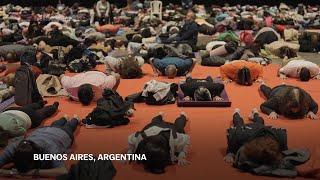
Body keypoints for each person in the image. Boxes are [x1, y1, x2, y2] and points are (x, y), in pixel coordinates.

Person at [225, 108, 310, 178]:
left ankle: (255, 113)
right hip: (246, 130)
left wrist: (231, 153)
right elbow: (233, 139)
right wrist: (230, 153)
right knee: (239, 123)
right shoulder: (241, 136)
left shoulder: (279, 138)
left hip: (262, 130)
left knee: (259, 123)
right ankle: (237, 113)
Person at [0, 116, 79, 178]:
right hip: (45, 130)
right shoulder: (14, 147)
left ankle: (75, 118)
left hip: (63, 133)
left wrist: (33, 172)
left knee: (71, 125)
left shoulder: (49, 147)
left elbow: (63, 171)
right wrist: (11, 172)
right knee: (56, 124)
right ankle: (64, 117)